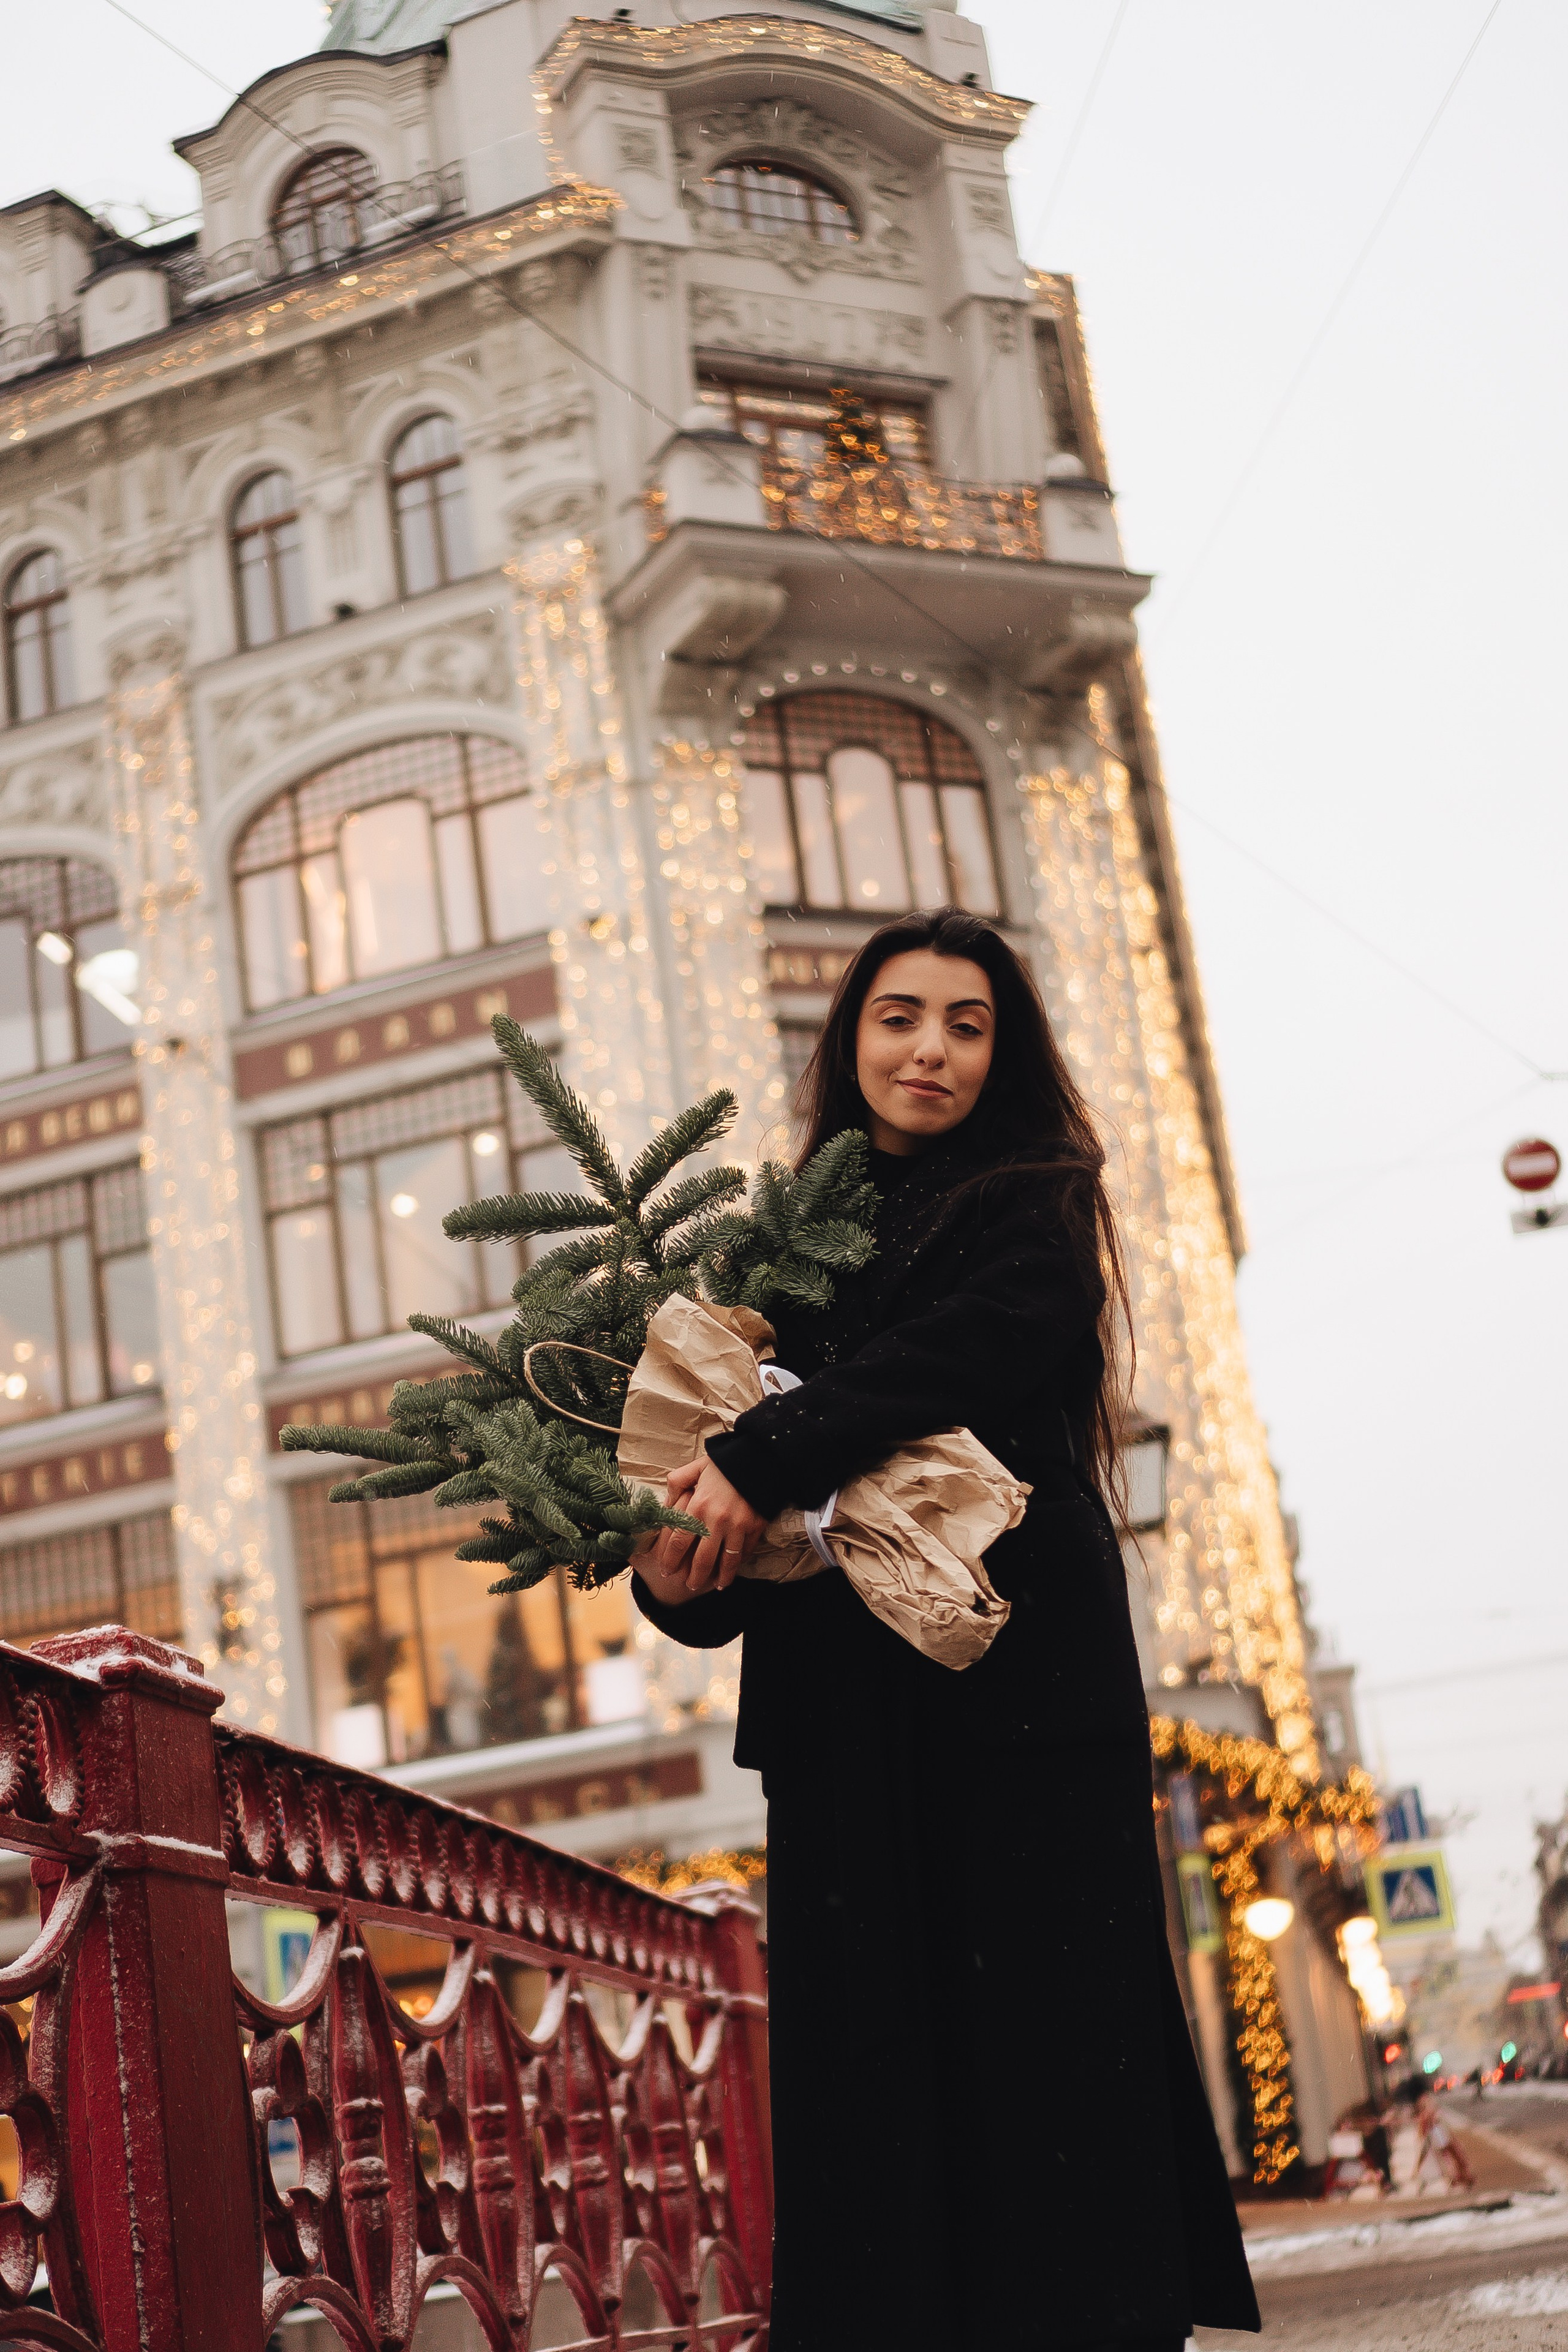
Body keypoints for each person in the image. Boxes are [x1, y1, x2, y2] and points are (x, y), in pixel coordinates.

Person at [633, 909, 1261, 2351]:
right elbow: (712, 1478)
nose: (928, 1049)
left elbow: (963, 1356)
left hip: (1017, 1704)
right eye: (898, 1017)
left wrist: (767, 1450)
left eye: (965, 1024)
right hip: (843, 1720)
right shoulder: (782, 1245)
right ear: (848, 1040)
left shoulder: (1036, 1201)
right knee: (867, 2074)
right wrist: (676, 1583)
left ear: (1003, 1050)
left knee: (1049, 2052)